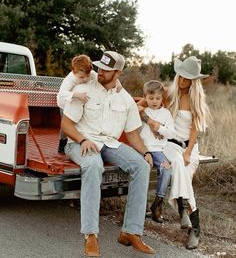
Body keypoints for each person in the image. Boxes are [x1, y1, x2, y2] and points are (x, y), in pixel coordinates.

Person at [61, 51, 156, 256]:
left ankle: (130, 232)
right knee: (94, 165)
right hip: (80, 141)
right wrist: (83, 139)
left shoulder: (126, 99)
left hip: (109, 144)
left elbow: (132, 133)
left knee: (141, 166)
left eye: (106, 69)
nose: (100, 72)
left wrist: (146, 152)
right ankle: (91, 235)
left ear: (118, 72)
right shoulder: (84, 89)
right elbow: (66, 125)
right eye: (100, 67)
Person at [140, 56, 211, 249]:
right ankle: (188, 221)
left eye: (187, 79)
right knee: (178, 164)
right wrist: (150, 121)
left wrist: (188, 152)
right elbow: (140, 105)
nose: (182, 82)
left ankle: (188, 218)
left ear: (194, 81)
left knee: (183, 172)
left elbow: (195, 130)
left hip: (189, 148)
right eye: (180, 77)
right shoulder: (169, 94)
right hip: (170, 145)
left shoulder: (197, 101)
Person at [138, 80, 175, 223]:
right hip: (143, 149)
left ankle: (158, 204)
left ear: (162, 98)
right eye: (151, 98)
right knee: (142, 171)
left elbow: (171, 133)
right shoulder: (142, 111)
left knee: (166, 169)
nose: (154, 101)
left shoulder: (165, 114)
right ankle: (141, 206)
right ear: (145, 96)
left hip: (158, 150)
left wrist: (159, 128)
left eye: (158, 98)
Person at [57, 54, 97, 153]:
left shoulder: (92, 74)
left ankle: (77, 139)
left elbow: (99, 79)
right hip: (64, 103)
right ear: (75, 72)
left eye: (87, 76)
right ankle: (62, 143)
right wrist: (76, 94)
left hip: (78, 102)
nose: (85, 79)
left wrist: (117, 83)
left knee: (77, 122)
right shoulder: (70, 79)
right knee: (66, 124)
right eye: (81, 77)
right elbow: (62, 92)